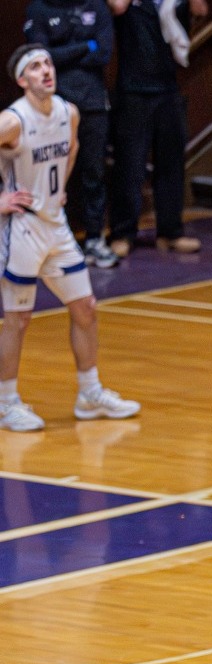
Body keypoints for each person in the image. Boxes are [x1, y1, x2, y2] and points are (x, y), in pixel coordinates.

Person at [1, 46, 139, 434]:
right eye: (35, 66)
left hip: (55, 226)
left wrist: (58, 186)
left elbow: (72, 148)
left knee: (86, 308)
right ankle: (5, 402)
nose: (45, 70)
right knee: (18, 319)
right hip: (22, 229)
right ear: (21, 80)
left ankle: (89, 393)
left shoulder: (68, 112)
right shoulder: (12, 121)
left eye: (47, 63)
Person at [23, 0, 118, 268]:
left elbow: (104, 54)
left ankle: (94, 240)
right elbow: (41, 58)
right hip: (52, 107)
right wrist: (86, 46)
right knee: (49, 176)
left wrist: (62, 53)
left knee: (94, 174)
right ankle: (49, 243)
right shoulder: (38, 9)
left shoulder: (96, 6)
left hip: (93, 104)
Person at [107, 0, 204, 259]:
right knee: (130, 166)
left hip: (169, 87)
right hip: (134, 90)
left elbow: (200, 11)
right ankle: (122, 233)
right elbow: (116, 7)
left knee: (172, 163)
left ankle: (170, 232)